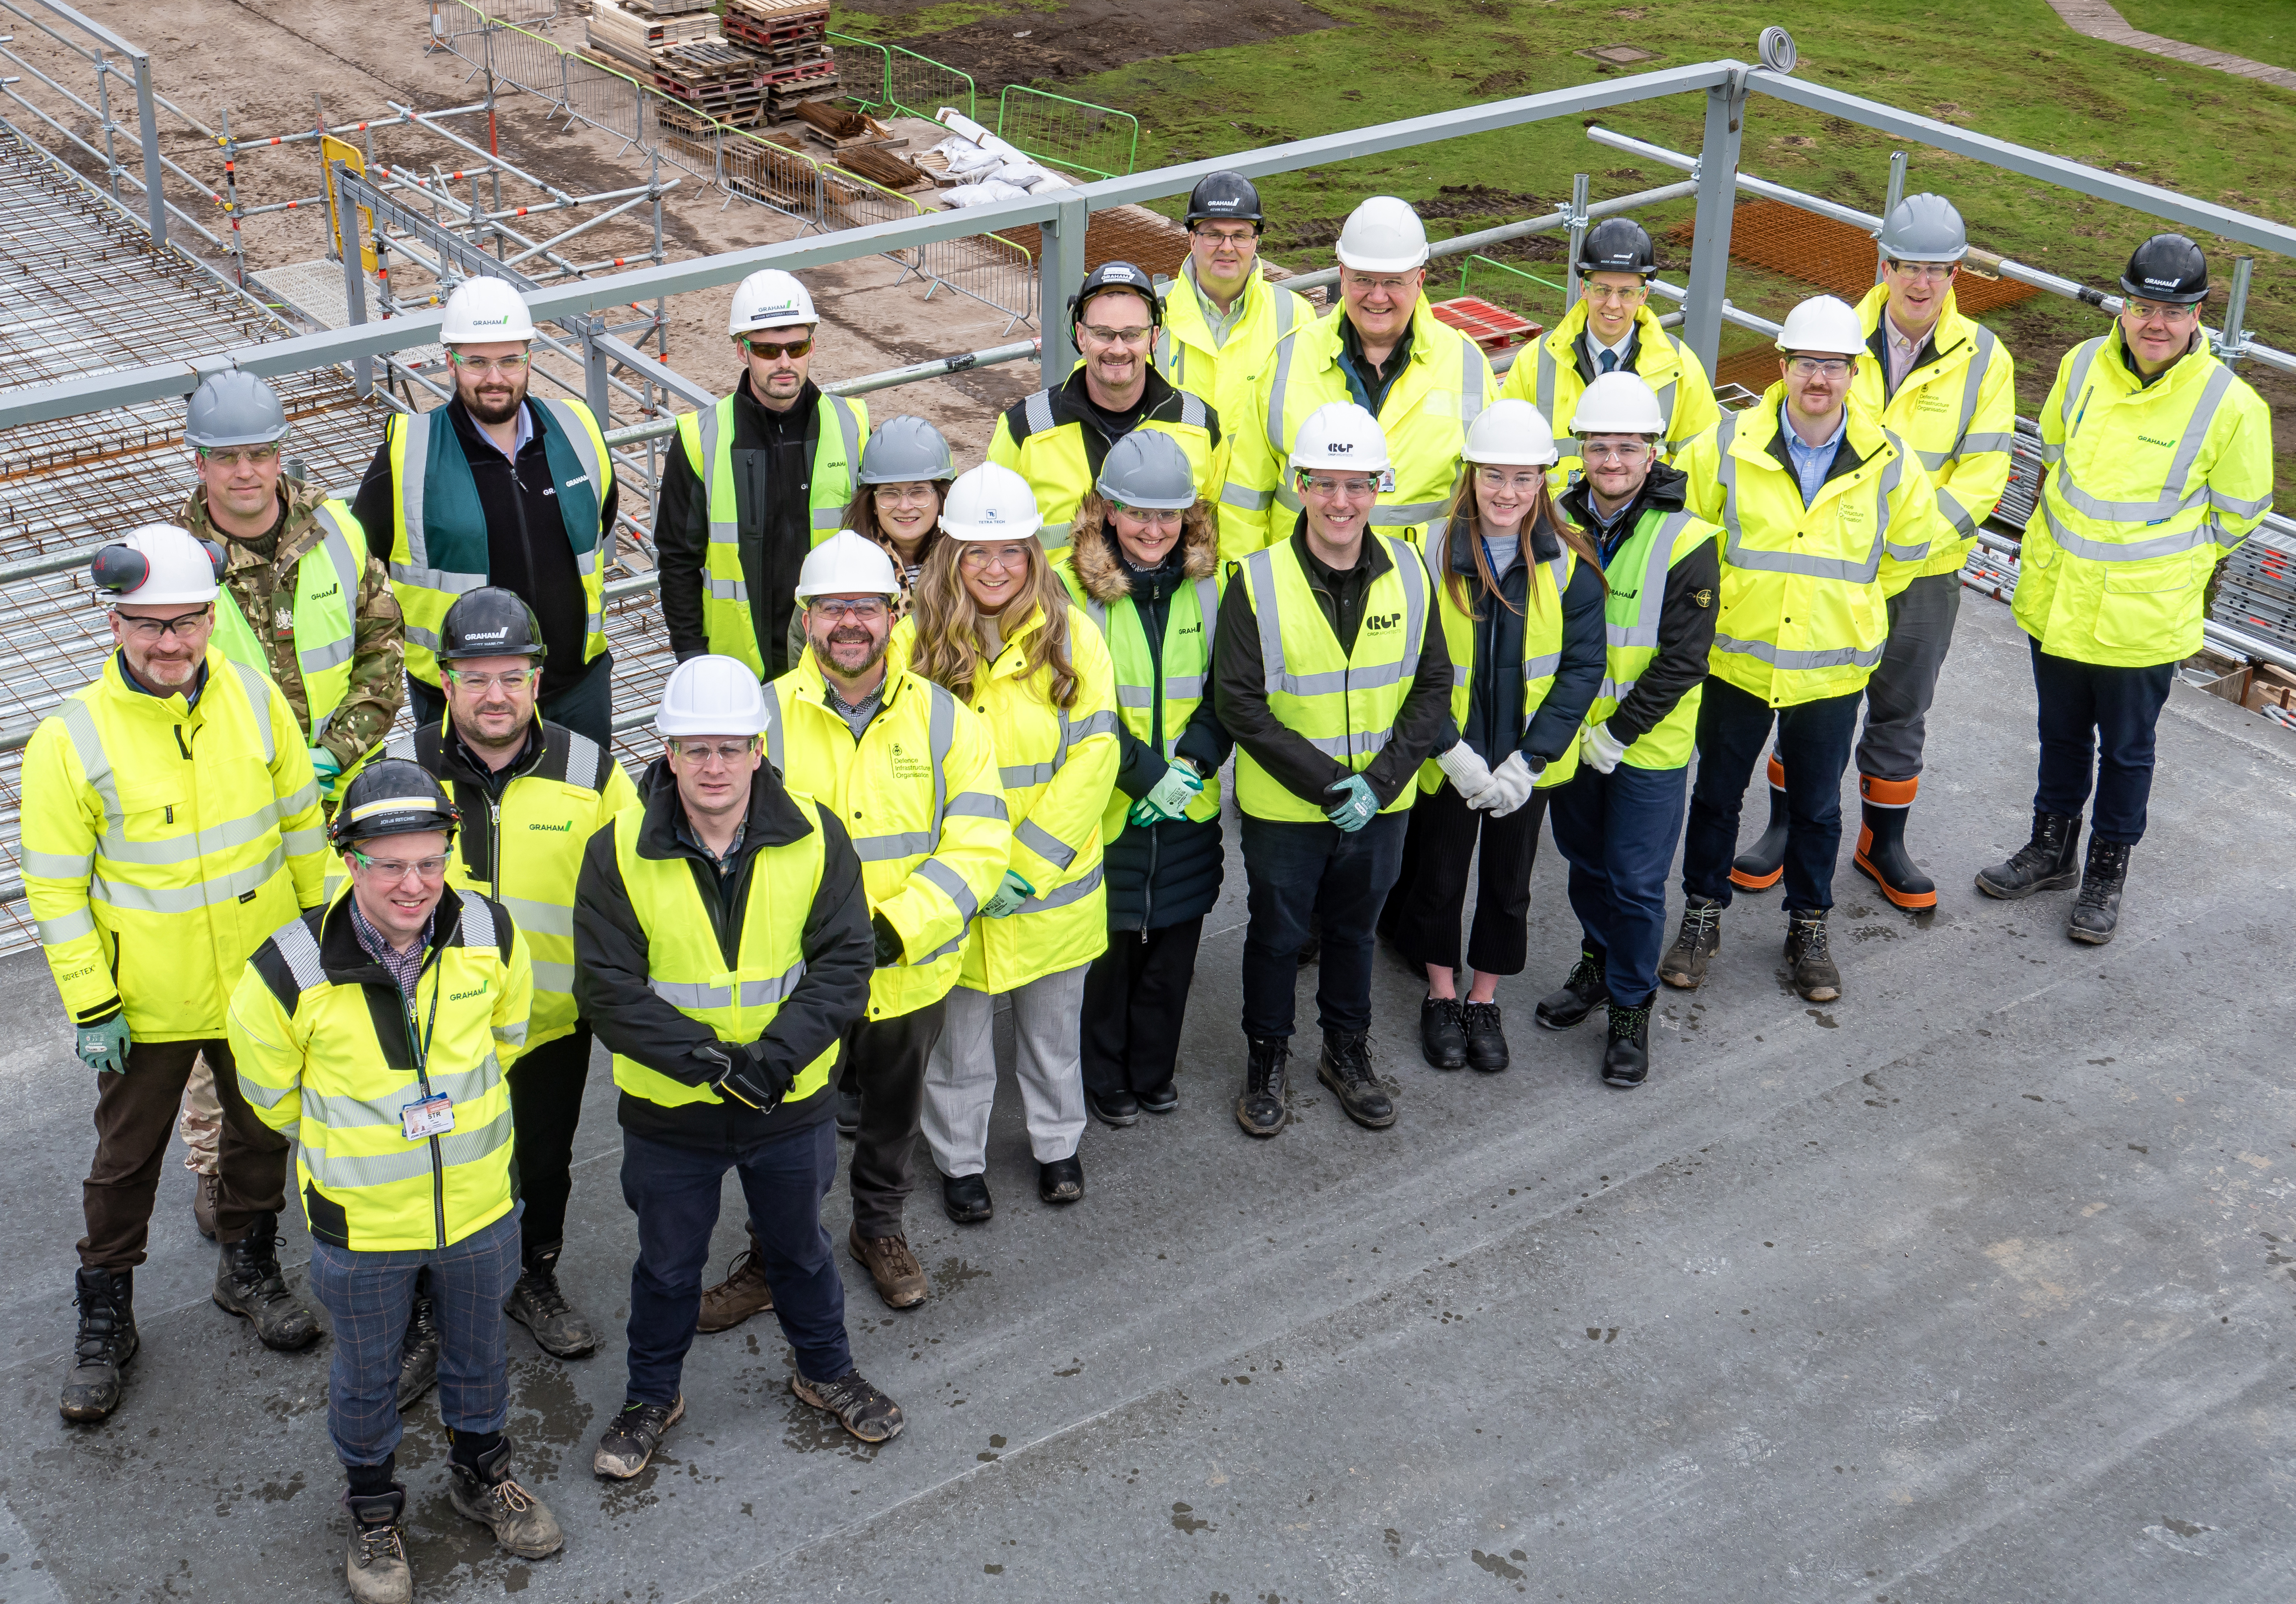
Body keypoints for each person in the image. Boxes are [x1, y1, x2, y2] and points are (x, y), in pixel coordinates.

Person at [228, 762, 559, 1604]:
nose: (414, 885)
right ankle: (373, 1510)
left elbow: (508, 1037)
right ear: (350, 863)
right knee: (368, 1372)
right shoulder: (287, 969)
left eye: (429, 862)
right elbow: (269, 1094)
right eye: (390, 865)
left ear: (449, 853)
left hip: (480, 1206)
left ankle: (482, 1477)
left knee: (480, 1351)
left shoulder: (489, 929)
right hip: (363, 1225)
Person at [23, 524, 326, 1425]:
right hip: (144, 1003)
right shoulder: (69, 739)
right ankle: (105, 1310)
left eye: (187, 623)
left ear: (209, 619)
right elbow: (55, 887)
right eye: (148, 625)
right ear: (115, 626)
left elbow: (302, 827)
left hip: (257, 980)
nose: (170, 644)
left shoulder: (254, 699)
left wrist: (318, 942)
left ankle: (249, 1261)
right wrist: (92, 1001)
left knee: (262, 1128)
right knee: (126, 1160)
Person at [574, 655, 899, 1475]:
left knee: (798, 1248)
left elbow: (844, 964)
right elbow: (607, 990)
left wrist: (775, 1063)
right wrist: (717, 1067)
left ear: (759, 750)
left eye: (729, 748)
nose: (713, 766)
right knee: (667, 1264)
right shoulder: (616, 850)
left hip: (786, 1106)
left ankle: (824, 1372)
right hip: (670, 1116)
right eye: (695, 749)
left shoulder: (818, 834)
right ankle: (653, 1395)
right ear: (668, 755)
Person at [688, 532, 1008, 1318]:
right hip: (795, 985)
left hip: (909, 972)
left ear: (895, 613)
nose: (850, 623)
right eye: (832, 608)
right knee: (781, 1131)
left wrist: (895, 930)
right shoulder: (758, 719)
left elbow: (979, 841)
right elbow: (713, 840)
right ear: (804, 618)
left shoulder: (946, 721)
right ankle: (772, 1258)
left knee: (891, 1124)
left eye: (865, 606)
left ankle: (879, 1229)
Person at [1977, 232, 2272, 941]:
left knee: (2128, 750)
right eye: (2142, 306)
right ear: (2124, 303)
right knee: (2060, 734)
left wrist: (2169, 566)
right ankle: (2051, 851)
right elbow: (2052, 451)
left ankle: (2106, 873)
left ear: (2199, 314)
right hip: (2059, 596)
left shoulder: (2231, 406)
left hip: (2141, 617)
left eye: (2172, 312)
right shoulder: (2081, 365)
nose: (2155, 325)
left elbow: (2238, 512)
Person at [378, 587, 638, 1372]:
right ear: (445, 682)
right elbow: (346, 891)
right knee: (430, 1168)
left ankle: (533, 1276)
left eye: (512, 676)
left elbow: (636, 890)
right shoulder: (396, 773)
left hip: (551, 1025)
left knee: (542, 1162)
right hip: (433, 1035)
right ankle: (426, 1308)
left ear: (537, 679)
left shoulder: (591, 772)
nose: (496, 696)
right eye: (476, 677)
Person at [1733, 194, 2017, 910]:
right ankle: (1786, 829)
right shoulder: (1834, 333)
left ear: (1957, 276)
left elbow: (1983, 475)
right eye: (1908, 267)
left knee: (1900, 706)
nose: (1921, 284)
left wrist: (1905, 545)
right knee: (1805, 692)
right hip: (1828, 562)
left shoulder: (1984, 359)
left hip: (1921, 573)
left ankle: (1882, 843)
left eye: (1938, 271)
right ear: (1883, 264)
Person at [175, 369, 406, 1239]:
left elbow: (385, 652)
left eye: (261, 454)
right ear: (198, 462)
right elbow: (167, 691)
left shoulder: (338, 533)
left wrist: (336, 752)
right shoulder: (178, 564)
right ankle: (217, 1167)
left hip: (339, 803)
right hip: (235, 815)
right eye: (227, 457)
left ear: (281, 453)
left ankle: (348, 1122)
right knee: (233, 993)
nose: (246, 473)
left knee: (348, 967)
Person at [1666, 296, 1947, 1004]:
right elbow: (1685, 544)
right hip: (1735, 657)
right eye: (1805, 363)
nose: (1818, 378)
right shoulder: (1722, 446)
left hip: (1829, 669)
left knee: (1818, 806)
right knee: (1717, 796)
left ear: (1854, 373)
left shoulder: (1891, 463)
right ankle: (1702, 916)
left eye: (1833, 365)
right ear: (1781, 366)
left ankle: (1808, 926)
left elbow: (1905, 556)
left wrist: (1842, 614)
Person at [1213, 403, 1452, 1136]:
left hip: (1380, 807)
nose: (1341, 502)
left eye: (1357, 485)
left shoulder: (1412, 570)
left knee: (1354, 934)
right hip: (1286, 813)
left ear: (1379, 486)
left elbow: (1434, 683)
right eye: (1326, 484)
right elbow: (1240, 704)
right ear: (1300, 485)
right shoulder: (1254, 580)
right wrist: (1329, 784)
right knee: (1278, 936)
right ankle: (1267, 1057)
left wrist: (1377, 784)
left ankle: (1345, 1053)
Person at [910, 463, 1119, 1217]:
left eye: (1009, 551)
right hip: (958, 890)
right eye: (975, 552)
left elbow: (1095, 758)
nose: (993, 568)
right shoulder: (915, 643)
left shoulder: (1075, 639)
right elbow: (907, 773)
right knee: (957, 1043)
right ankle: (959, 1159)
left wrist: (1023, 866)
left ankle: (1057, 1145)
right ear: (950, 558)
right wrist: (968, 875)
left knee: (1052, 1034)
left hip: (1049, 886)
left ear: (1034, 554)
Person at [1379, 399, 1605, 1076]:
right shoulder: (1425, 553)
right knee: (1439, 876)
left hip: (1520, 766)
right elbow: (1406, 660)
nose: (1507, 493)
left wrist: (1529, 762)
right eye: (1494, 476)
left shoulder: (1568, 562)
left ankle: (1484, 997)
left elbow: (1581, 668)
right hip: (1448, 758)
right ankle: (1441, 992)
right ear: (1470, 475)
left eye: (1524, 479)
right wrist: (1448, 749)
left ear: (1544, 481)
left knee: (1508, 885)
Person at [1535, 373, 1722, 1087]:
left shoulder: (1687, 536)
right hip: (1569, 740)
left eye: (1627, 447)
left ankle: (1630, 1008)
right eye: (1598, 446)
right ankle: (1597, 963)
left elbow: (1683, 657)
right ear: (1580, 449)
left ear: (1653, 454)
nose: (1611, 460)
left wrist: (1617, 731)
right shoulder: (1551, 521)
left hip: (1645, 747)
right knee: (1585, 864)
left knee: (1638, 884)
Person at [1053, 432, 1233, 1125]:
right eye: (1137, 514)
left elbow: (1230, 689)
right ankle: (1105, 1075)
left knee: (1173, 950)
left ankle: (1152, 1069)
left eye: (1169, 516)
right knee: (1110, 952)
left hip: (1189, 804)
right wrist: (1144, 775)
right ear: (1107, 511)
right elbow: (1073, 701)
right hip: (1111, 805)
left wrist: (1191, 765)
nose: (1154, 529)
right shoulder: (1069, 590)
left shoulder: (1213, 586)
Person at [354, 277, 618, 745]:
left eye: (509, 360)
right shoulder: (408, 455)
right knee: (475, 818)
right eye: (476, 361)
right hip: (465, 704)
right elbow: (359, 567)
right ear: (450, 362)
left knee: (586, 810)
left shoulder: (579, 429)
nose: (495, 377)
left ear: (529, 359)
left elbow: (602, 517)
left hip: (576, 691)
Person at [1223, 196, 1499, 555]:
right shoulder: (1289, 359)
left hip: (1420, 595)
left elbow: (1494, 499)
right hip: (1299, 591)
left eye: (1394, 282)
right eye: (1364, 279)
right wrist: (1247, 592)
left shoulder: (1466, 365)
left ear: (1420, 281)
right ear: (1341, 275)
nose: (1377, 296)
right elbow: (1244, 499)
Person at [656, 268, 868, 681]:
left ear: (812, 345)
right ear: (742, 351)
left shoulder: (852, 426)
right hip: (738, 667)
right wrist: (692, 657)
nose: (785, 362)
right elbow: (678, 560)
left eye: (796, 346)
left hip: (836, 658)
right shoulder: (702, 438)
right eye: (769, 351)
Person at [987, 260, 1223, 548]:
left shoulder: (1199, 425)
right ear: (1081, 336)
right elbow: (991, 538)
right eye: (1104, 333)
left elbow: (1213, 536)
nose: (1118, 348)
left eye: (1132, 334)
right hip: (1056, 595)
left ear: (1154, 337)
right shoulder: (1024, 427)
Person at [1157, 170, 1314, 558]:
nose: (1227, 247)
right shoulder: (1152, 312)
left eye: (1240, 235)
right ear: (1192, 238)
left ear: (1256, 241)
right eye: (1213, 233)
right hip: (1164, 534)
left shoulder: (1295, 316)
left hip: (1264, 539)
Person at [1497, 217, 1718, 457]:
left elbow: (1703, 461)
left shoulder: (1681, 365)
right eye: (1602, 290)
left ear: (1643, 295)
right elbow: (1504, 446)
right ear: (1584, 289)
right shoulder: (1536, 360)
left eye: (1626, 293)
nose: (1613, 304)